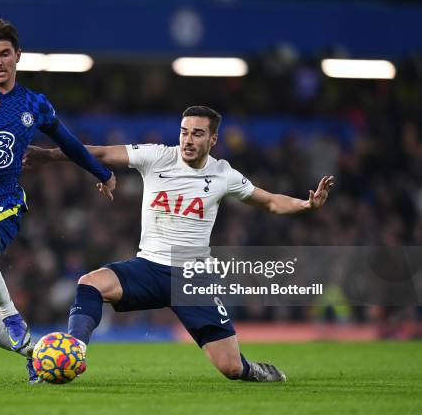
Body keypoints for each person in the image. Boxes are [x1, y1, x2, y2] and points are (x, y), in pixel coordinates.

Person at [24, 106, 334, 382]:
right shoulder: (157, 156)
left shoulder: (223, 174)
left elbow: (271, 202)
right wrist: (49, 155)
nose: (187, 139)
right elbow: (101, 153)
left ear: (212, 140)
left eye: (197, 134)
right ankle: (74, 350)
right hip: (148, 267)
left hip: (191, 278)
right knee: (90, 284)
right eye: (184, 132)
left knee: (232, 369)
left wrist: (307, 206)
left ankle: (252, 369)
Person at [0, 18, 116, 382]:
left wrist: (101, 172)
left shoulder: (34, 103)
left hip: (5, 200)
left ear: (18, 55)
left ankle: (12, 314)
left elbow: (69, 142)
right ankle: (35, 352)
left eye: (4, 54)